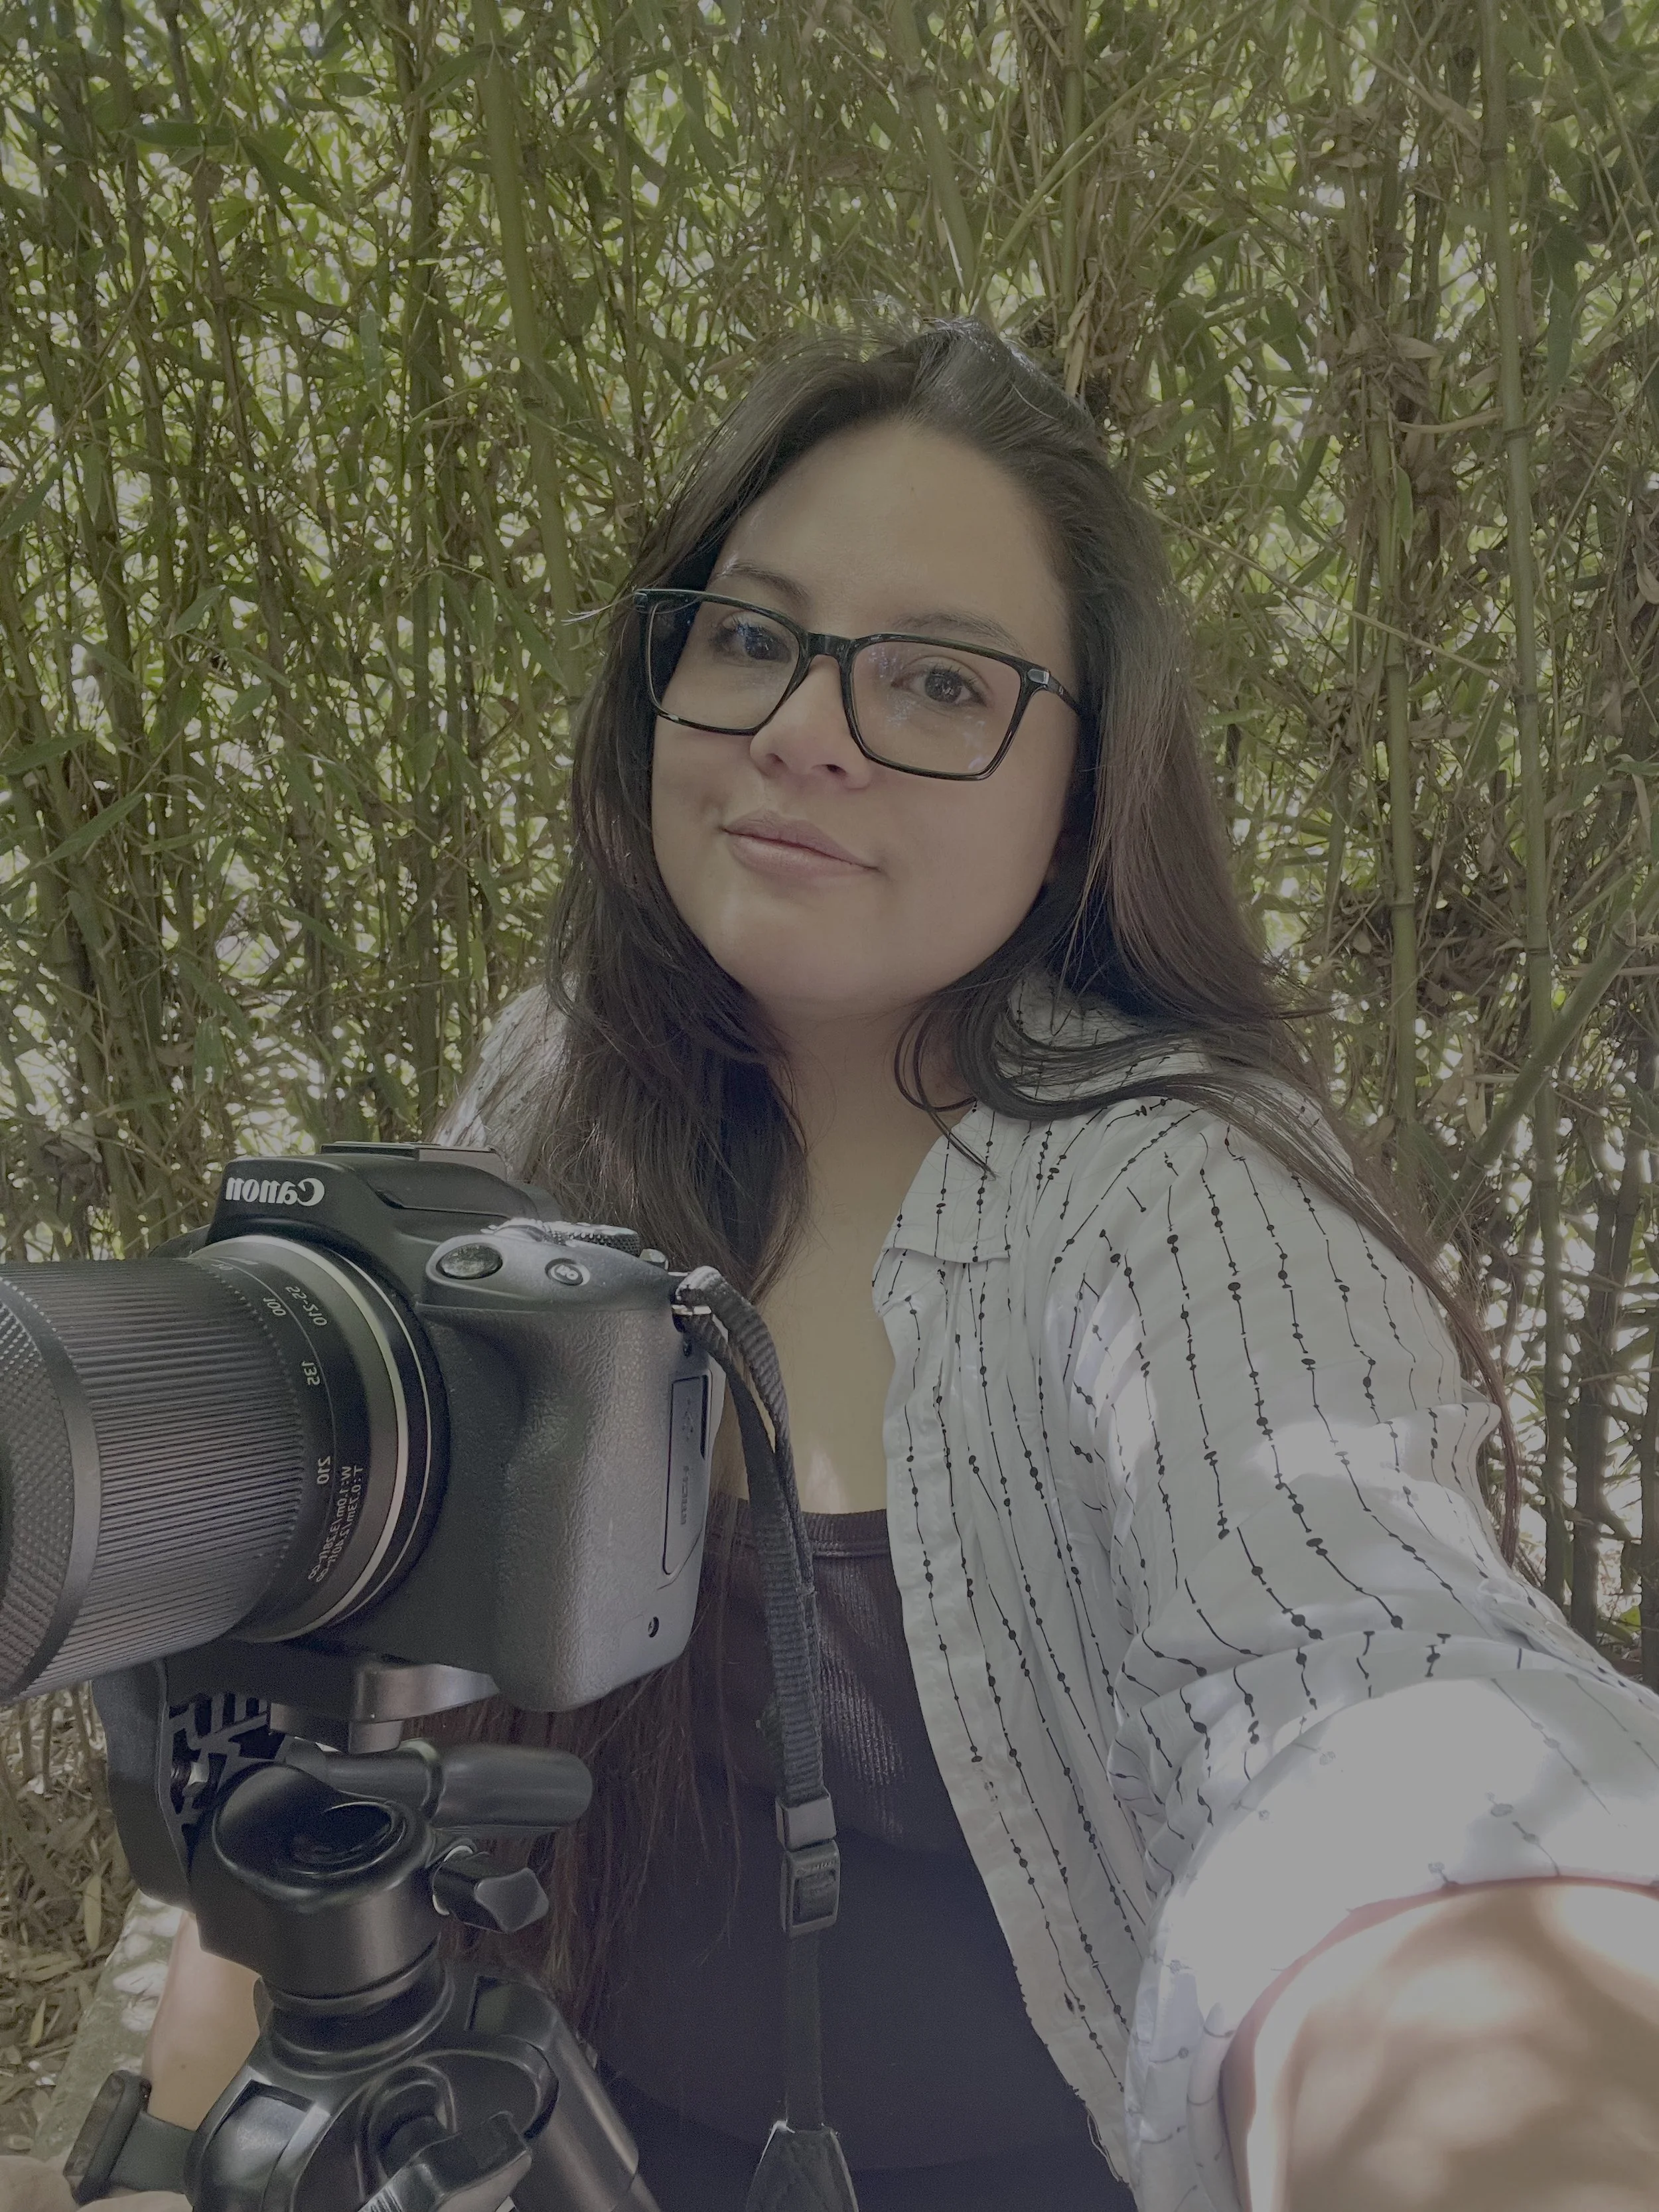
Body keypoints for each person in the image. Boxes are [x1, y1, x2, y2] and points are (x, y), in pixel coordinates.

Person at [130, 321, 1659, 2212]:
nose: (800, 727)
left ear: (1088, 788)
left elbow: (1362, 1675)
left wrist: (1509, 2091)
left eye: (935, 682)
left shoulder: (1178, 1198)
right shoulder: (553, 1092)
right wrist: (176, 2143)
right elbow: (355, 1708)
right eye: (752, 636)